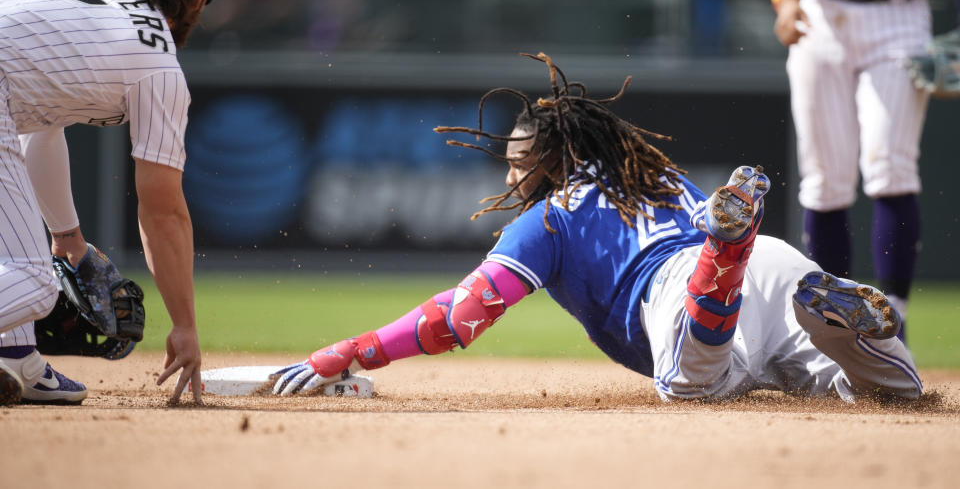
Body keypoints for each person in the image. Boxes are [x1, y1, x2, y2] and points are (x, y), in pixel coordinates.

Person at [270, 53, 921, 403]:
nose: (510, 179)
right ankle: (851, 325)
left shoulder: (545, 220)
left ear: (548, 163)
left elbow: (454, 318)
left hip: (681, 297)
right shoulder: (655, 176)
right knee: (870, 391)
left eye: (518, 165)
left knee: (692, 385)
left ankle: (723, 264)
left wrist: (352, 349)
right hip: (774, 266)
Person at [0, 0, 226, 406]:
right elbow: (162, 212)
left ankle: (16, 357)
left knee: (16, 257)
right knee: (34, 281)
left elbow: (40, 130)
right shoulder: (159, 66)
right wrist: (184, 326)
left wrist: (66, 236)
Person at [752, 0, 960, 339]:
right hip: (821, 12)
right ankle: (832, 322)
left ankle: (894, 321)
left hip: (903, 17)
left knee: (891, 167)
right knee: (825, 179)